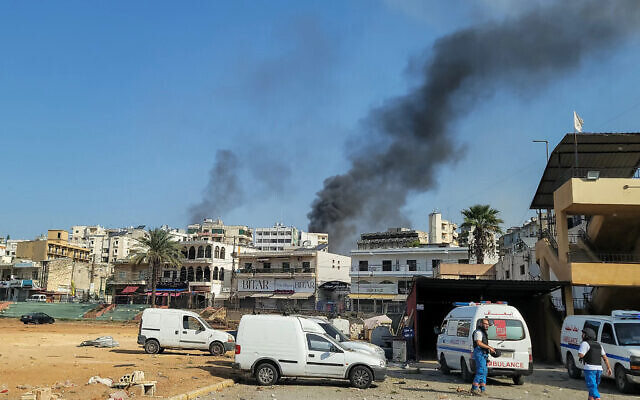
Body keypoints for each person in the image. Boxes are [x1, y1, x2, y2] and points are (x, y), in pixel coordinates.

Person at [578, 328, 612, 400]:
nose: (582, 335)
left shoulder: (585, 343)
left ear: (587, 335)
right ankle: (591, 398)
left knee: (592, 386)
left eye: (583, 334)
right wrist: (609, 368)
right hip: (599, 369)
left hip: (590, 368)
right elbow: (605, 358)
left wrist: (581, 350)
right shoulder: (599, 345)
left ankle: (597, 398)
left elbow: (581, 355)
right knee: (594, 387)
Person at [471, 318, 495, 395]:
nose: (487, 325)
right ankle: (474, 389)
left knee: (484, 372)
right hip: (479, 353)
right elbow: (479, 343)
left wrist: (489, 349)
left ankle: (482, 389)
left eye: (488, 324)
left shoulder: (484, 333)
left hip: (484, 354)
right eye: (485, 324)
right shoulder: (478, 332)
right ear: (481, 324)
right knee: (480, 371)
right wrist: (489, 347)